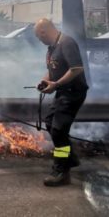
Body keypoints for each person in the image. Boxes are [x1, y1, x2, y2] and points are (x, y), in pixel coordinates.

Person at [34, 18, 88, 187]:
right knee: (50, 122)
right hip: (63, 92)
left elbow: (77, 68)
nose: (39, 40)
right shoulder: (52, 48)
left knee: (58, 130)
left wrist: (56, 85)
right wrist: (44, 81)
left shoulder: (67, 42)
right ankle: (70, 158)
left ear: (43, 31)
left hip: (73, 93)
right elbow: (52, 70)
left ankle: (61, 171)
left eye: (38, 36)